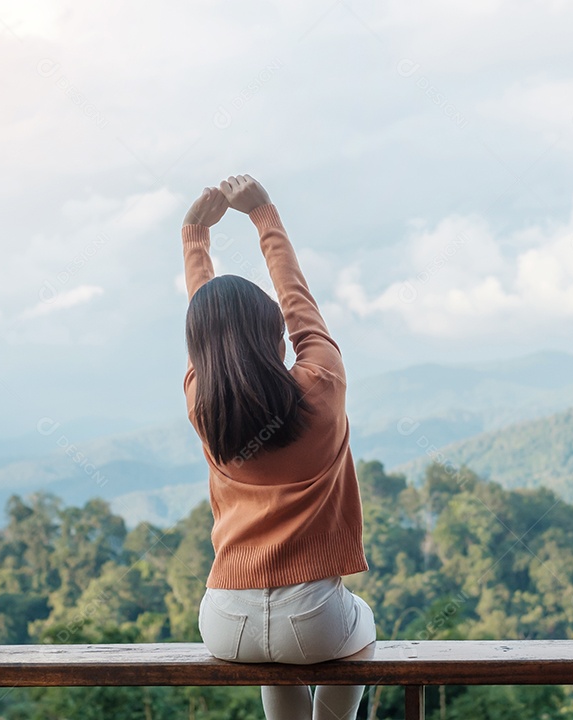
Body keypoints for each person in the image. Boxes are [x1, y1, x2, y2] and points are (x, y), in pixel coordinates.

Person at [181, 174, 377, 720]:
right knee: (362, 627)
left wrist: (194, 237)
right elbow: (300, 306)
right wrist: (264, 215)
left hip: (225, 621)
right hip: (314, 619)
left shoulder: (203, 404)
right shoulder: (322, 385)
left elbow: (209, 325)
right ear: (274, 332)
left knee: (277, 662)